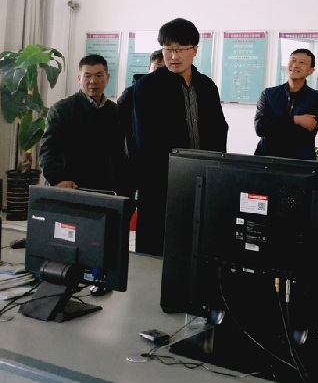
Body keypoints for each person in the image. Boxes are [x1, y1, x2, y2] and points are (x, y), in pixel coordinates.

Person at [133, 18, 228, 255]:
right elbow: (146, 140)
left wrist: (216, 169)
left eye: (180, 49)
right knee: (157, 249)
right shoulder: (148, 87)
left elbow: (219, 130)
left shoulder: (207, 86)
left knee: (196, 246)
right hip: (162, 181)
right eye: (168, 49)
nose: (174, 56)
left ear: (194, 50)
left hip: (203, 178)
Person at [39, 54, 128, 194]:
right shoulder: (62, 109)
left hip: (106, 190)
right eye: (87, 76)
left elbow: (120, 153)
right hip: (71, 188)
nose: (93, 81)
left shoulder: (115, 111)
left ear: (107, 78)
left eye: (99, 75)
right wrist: (57, 180)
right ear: (79, 79)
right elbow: (49, 149)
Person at [254, 48, 318, 160]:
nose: (295, 65)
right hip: (266, 159)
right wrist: (295, 120)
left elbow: (304, 135)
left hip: (299, 162)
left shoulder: (316, 98)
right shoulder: (268, 94)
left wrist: (274, 124)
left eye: (302, 62)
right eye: (293, 60)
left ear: (311, 70)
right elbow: (260, 128)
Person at [117, 50, 165, 175]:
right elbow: (120, 126)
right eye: (157, 68)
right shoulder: (131, 93)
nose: (160, 73)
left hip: (162, 158)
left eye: (164, 69)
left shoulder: (171, 94)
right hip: (135, 156)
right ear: (149, 68)